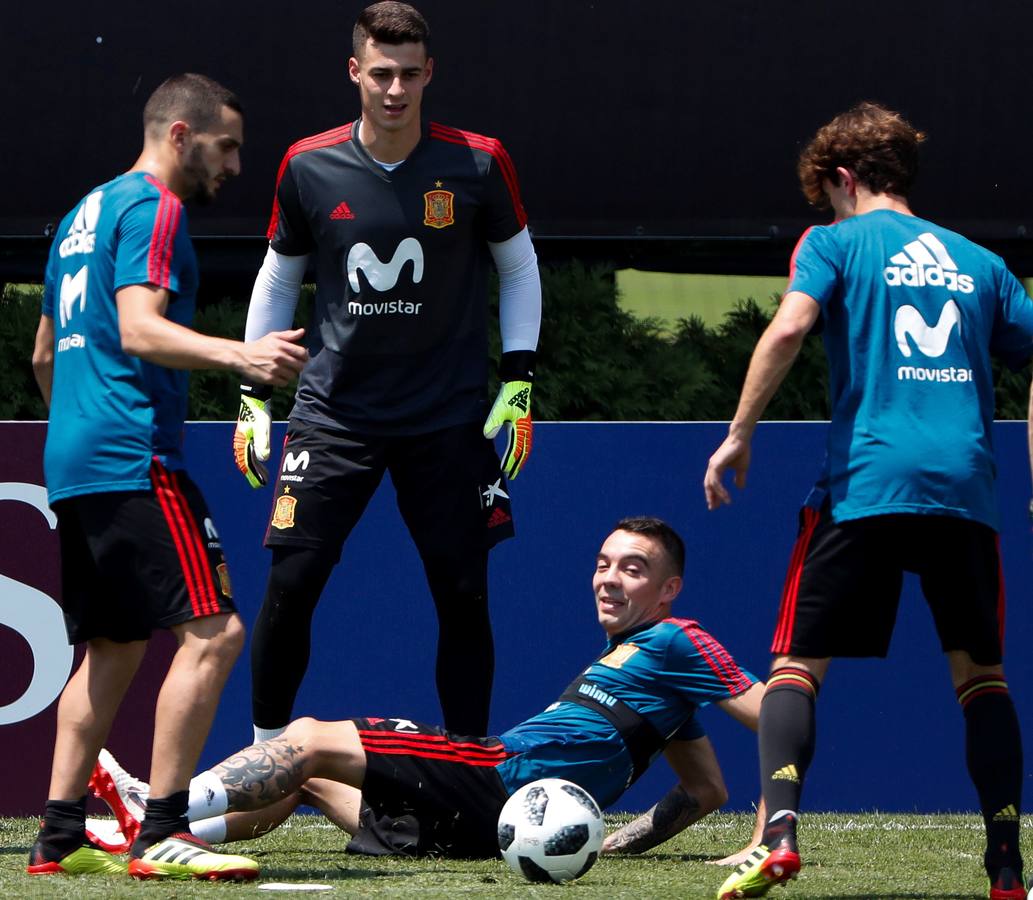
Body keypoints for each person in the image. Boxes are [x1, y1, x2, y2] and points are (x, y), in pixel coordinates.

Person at [704, 102, 1033, 900]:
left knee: (795, 666)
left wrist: (739, 432)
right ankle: (1005, 864)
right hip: (963, 486)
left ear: (844, 179)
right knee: (979, 676)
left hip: (867, 483)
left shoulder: (833, 242)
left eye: (827, 194)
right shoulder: (980, 263)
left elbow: (787, 329)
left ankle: (776, 835)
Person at [91, 517, 765, 864]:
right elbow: (704, 791)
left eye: (633, 569)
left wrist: (773, 826)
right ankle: (157, 834)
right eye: (602, 564)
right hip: (480, 829)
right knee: (307, 781)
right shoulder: (653, 686)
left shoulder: (677, 639)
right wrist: (619, 843)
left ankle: (160, 806)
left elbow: (778, 716)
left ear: (669, 589)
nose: (608, 579)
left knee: (304, 738)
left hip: (497, 780)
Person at [233, 0, 542, 744]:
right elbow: (278, 282)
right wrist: (250, 395)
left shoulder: (477, 160)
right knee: (291, 585)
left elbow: (519, 268)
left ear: (429, 72)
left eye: (409, 74)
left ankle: (469, 765)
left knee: (463, 593)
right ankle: (262, 756)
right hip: (334, 415)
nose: (395, 89)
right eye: (380, 74)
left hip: (446, 417)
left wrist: (520, 381)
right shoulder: (308, 163)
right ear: (354, 73)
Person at [27, 73, 309, 880]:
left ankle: (57, 837)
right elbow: (140, 328)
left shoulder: (83, 214)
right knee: (215, 634)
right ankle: (161, 830)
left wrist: (78, 424)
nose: (234, 167)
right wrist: (241, 355)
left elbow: (46, 353)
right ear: (180, 135)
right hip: (134, 452)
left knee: (111, 647)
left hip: (75, 458)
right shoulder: (156, 206)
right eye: (226, 148)